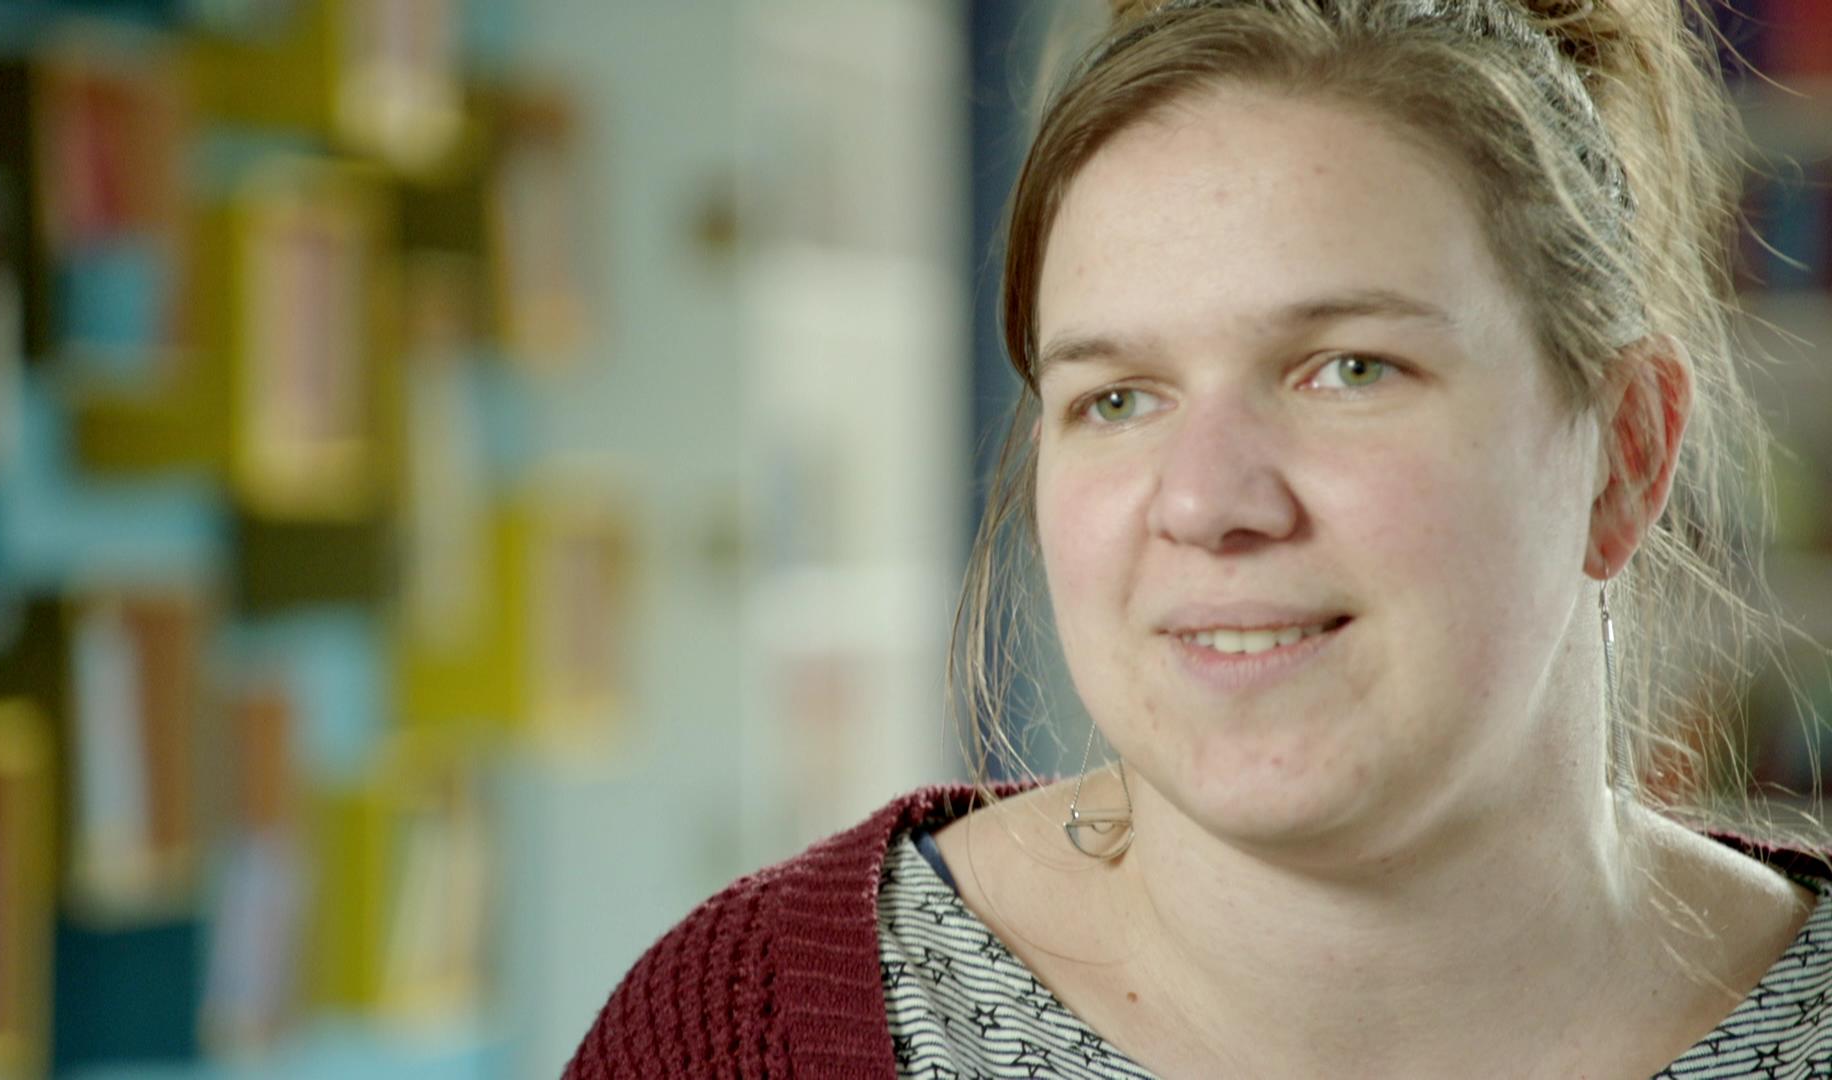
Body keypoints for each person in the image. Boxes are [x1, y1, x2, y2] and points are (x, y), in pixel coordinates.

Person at [567, 1, 1832, 1075]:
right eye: (1119, 398)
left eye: (1348, 368)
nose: (1206, 500)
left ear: (1624, 454)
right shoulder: (737, 1035)